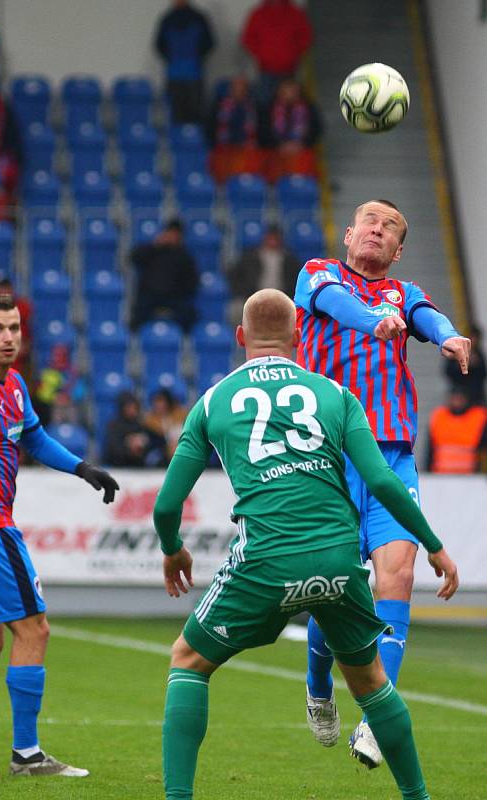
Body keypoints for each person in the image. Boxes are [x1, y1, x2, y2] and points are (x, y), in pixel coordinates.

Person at [153, 288, 458, 800]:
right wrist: (432, 545)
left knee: (188, 660)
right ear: (298, 337)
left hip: (266, 558)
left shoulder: (212, 402)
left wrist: (172, 547)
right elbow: (382, 482)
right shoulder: (337, 395)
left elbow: (166, 506)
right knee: (372, 683)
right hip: (339, 558)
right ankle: (417, 796)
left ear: (239, 337)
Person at [293, 199, 470, 767]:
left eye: (391, 225)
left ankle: (375, 716)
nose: (378, 228)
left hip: (390, 454)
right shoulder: (318, 274)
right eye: (369, 220)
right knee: (333, 588)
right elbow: (337, 306)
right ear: (349, 234)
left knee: (396, 576)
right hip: (327, 454)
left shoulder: (405, 292)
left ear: (397, 250)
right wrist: (374, 321)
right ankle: (319, 687)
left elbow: (427, 317)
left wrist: (449, 336)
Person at [0, 293, 119, 776]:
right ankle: (26, 755)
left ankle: (27, 754)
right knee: (35, 629)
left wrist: (82, 467)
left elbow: (34, 438)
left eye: (14, 328)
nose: (8, 337)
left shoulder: (14, 385)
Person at [129, 218, 198, 332]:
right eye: (170, 232)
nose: (172, 236)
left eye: (176, 234)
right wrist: (155, 245)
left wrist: (180, 292)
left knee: (189, 315)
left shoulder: (185, 256)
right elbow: (134, 258)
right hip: (150, 296)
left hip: (174, 298)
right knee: (137, 316)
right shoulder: (153, 250)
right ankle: (134, 343)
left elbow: (192, 282)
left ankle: (185, 344)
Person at [241, 0, 313, 108]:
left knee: (291, 104)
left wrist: (293, 54)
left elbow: (306, 37)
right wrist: (263, 55)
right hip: (266, 70)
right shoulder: (258, 14)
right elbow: (248, 38)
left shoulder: (295, 13)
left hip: (289, 69)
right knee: (264, 104)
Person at [226, 223, 300, 326]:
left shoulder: (290, 260)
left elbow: (297, 282)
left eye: (276, 238)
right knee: (236, 309)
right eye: (270, 237)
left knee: (299, 312)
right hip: (252, 296)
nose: (273, 241)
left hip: (283, 298)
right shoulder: (250, 257)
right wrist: (244, 292)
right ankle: (239, 340)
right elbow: (234, 275)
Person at [154, 0, 215, 125]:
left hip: (194, 75)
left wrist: (197, 57)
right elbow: (159, 45)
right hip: (174, 76)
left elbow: (209, 43)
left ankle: (194, 143)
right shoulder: (167, 20)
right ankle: (179, 143)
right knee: (176, 116)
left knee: (196, 115)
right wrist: (172, 58)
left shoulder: (199, 18)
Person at [262, 77, 321, 181]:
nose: (289, 94)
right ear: (279, 92)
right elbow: (263, 131)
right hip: (276, 155)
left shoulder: (309, 108)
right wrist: (279, 145)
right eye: (286, 91)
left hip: (301, 153)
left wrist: (301, 144)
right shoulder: (269, 108)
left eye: (293, 91)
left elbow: (317, 129)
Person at [208, 76, 264, 182]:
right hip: (224, 150)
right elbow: (212, 127)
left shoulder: (254, 107)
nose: (239, 92)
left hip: (247, 150)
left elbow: (260, 129)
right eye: (235, 88)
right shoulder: (219, 106)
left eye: (242, 89)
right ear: (230, 90)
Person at [426, 387, 487, 474]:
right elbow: (430, 450)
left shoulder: (477, 418)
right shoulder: (439, 417)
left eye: (460, 399)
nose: (457, 402)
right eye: (455, 398)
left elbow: (482, 449)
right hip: (441, 475)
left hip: (470, 476)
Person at [103, 390, 167, 468]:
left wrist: (144, 441)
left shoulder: (140, 425)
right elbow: (111, 450)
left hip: (139, 467)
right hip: (119, 467)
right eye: (129, 407)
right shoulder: (114, 426)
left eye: (134, 407)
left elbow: (158, 441)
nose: (132, 410)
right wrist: (128, 445)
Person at [443, 322, 486, 405]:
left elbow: (483, 374)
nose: (473, 340)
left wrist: (476, 365)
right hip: (459, 393)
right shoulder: (456, 351)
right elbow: (448, 371)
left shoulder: (479, 355)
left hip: (475, 396)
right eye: (471, 337)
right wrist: (461, 364)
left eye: (475, 338)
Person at [143, 387, 188, 462]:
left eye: (161, 402)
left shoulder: (180, 414)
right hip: (161, 449)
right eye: (156, 402)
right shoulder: (150, 419)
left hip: (181, 446)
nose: (158, 405)